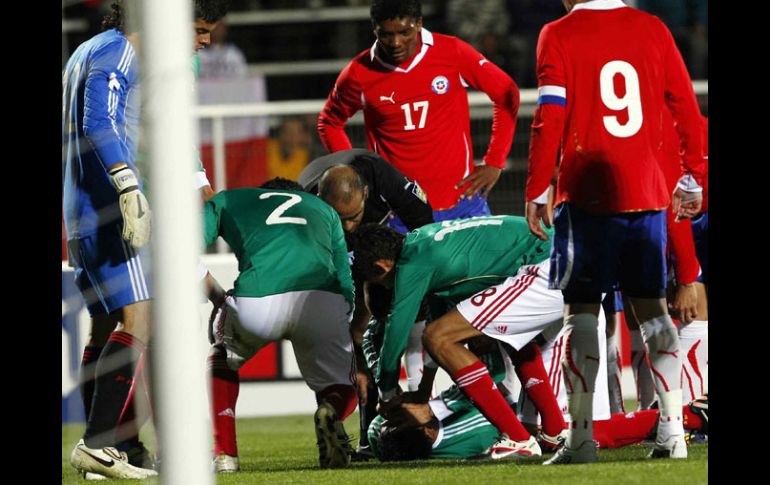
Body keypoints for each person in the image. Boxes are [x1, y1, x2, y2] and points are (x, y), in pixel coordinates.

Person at [525, 0, 705, 464]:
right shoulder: (653, 27)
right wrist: (698, 175)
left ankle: (581, 440)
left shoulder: (558, 33)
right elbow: (685, 103)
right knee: (652, 311)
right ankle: (673, 434)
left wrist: (538, 182)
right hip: (647, 192)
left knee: (580, 312)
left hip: (586, 194)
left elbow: (550, 115)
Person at [63, 0, 229, 480]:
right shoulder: (122, 53)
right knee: (143, 314)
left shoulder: (86, 50)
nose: (205, 41)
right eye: (198, 29)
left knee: (106, 323)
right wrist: (129, 185)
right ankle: (97, 445)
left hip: (81, 208)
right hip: (114, 206)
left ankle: (114, 448)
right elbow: (101, 124)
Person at [349, 217, 569, 460]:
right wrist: (422, 393)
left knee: (440, 337)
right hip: (552, 254)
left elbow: (397, 334)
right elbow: (434, 325)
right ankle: (554, 430)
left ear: (382, 266)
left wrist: (388, 394)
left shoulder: (413, 265)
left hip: (549, 262)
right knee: (488, 337)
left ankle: (518, 440)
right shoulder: (424, 244)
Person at [205, 178, 357, 471]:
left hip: (257, 301)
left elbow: (182, 247)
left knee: (221, 354)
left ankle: (225, 455)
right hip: (321, 299)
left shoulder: (230, 198)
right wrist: (343, 312)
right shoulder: (324, 210)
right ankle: (331, 411)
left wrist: (215, 295)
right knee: (341, 384)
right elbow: (344, 275)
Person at [318, 0, 520, 221]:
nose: (396, 42)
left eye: (405, 32)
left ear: (419, 23)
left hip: (463, 202)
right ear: (374, 28)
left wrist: (495, 161)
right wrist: (357, 174)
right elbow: (329, 123)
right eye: (386, 35)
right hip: (399, 212)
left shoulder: (451, 51)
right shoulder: (359, 73)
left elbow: (506, 93)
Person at [299, 148, 434, 459]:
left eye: (353, 217)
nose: (347, 227)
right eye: (340, 218)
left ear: (367, 194)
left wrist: (414, 283)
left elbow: (423, 224)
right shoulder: (307, 209)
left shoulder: (382, 177)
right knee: (347, 341)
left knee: (375, 326)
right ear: (320, 201)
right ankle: (353, 432)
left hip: (371, 250)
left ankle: (382, 423)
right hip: (326, 259)